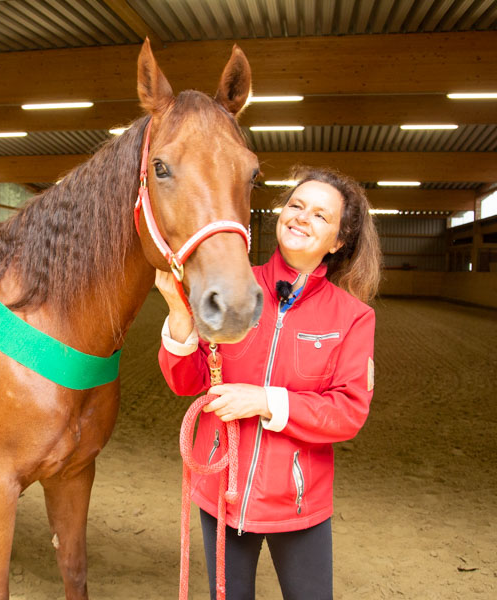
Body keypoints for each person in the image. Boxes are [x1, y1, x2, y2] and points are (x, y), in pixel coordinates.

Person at [157, 166, 382, 600]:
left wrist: (264, 401)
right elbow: (189, 381)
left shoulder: (353, 318)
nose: (301, 217)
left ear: (338, 241)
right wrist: (178, 313)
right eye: (296, 206)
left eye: (320, 215)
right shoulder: (237, 288)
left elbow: (348, 412)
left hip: (298, 504)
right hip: (222, 491)